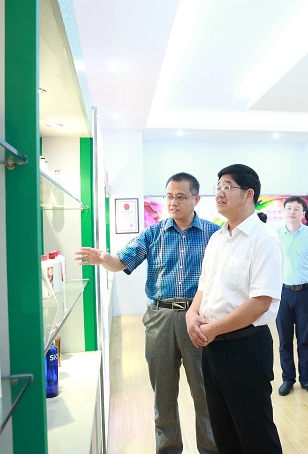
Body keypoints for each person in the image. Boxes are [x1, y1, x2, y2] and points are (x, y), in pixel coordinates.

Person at [76, 172, 219, 454]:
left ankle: (212, 449)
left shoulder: (213, 235)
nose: (173, 202)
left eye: (181, 197)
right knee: (163, 393)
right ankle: (168, 449)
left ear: (196, 199)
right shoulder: (154, 233)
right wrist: (104, 259)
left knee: (205, 392)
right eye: (169, 196)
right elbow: (120, 262)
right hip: (160, 318)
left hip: (199, 318)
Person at [186, 164, 283, 454]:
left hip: (245, 347)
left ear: (249, 194)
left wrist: (212, 329)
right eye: (218, 187)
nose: (219, 193)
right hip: (212, 347)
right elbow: (204, 286)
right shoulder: (217, 239)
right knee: (223, 433)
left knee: (256, 434)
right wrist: (192, 315)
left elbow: (260, 302)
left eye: (227, 187)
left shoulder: (264, 239)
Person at [275, 196, 308, 397]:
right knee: (284, 340)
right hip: (282, 293)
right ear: (284, 211)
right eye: (289, 208)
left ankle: (306, 379)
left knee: (304, 340)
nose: (292, 212)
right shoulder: (275, 235)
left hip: (305, 293)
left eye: (296, 209)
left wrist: (307, 276)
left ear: (303, 213)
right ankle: (288, 379)